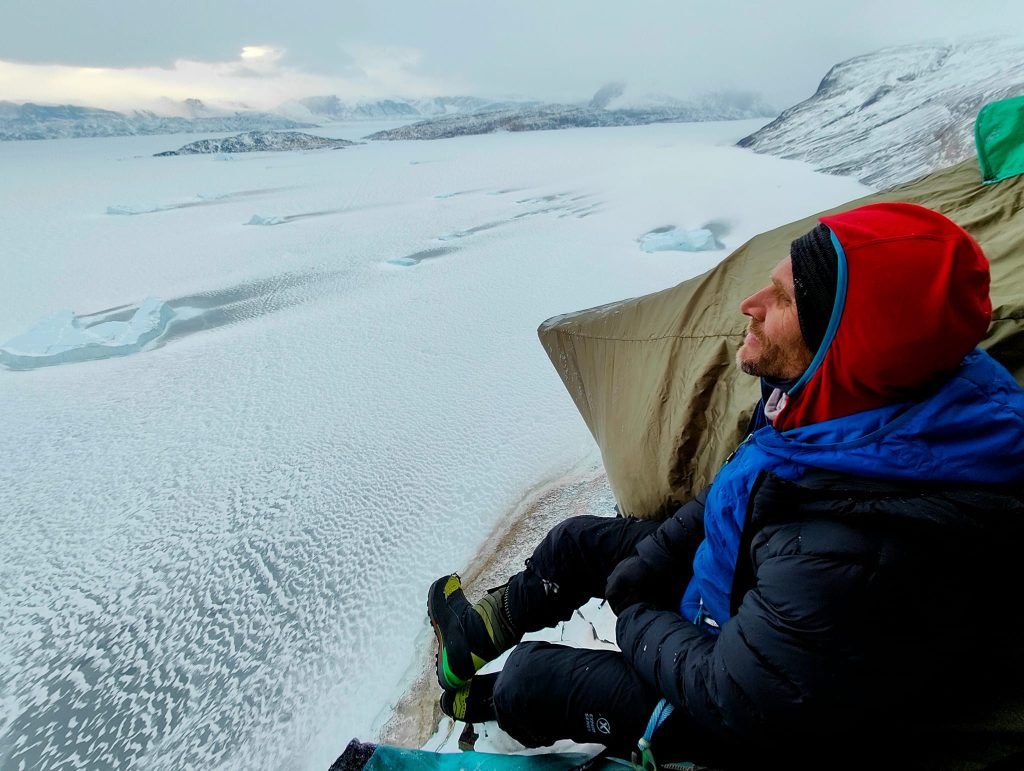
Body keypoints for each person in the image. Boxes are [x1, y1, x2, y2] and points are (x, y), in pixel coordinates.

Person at [427, 203, 1024, 768]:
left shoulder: (859, 546)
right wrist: (652, 560)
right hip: (750, 598)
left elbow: (736, 694)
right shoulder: (838, 403)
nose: (750, 303)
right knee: (574, 544)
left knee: (537, 680)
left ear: (845, 352)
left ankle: (476, 705)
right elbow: (743, 495)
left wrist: (634, 607)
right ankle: (467, 643)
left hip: (745, 712)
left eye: (783, 298)